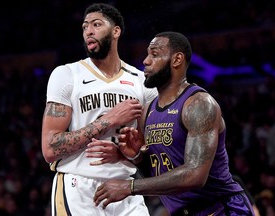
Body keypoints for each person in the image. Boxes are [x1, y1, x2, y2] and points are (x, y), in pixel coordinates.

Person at [91, 31, 255, 215]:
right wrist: (136, 156)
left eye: (154, 54)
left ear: (177, 60)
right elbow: (159, 176)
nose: (145, 61)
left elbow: (195, 175)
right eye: (147, 54)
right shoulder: (147, 111)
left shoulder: (199, 105)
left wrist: (130, 186)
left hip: (221, 209)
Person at [41, 3, 157, 216]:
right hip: (79, 185)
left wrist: (125, 155)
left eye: (96, 24)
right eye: (85, 27)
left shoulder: (142, 81)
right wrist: (110, 120)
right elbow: (49, 149)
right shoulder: (67, 74)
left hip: (125, 186)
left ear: (116, 31)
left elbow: (151, 148)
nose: (89, 31)